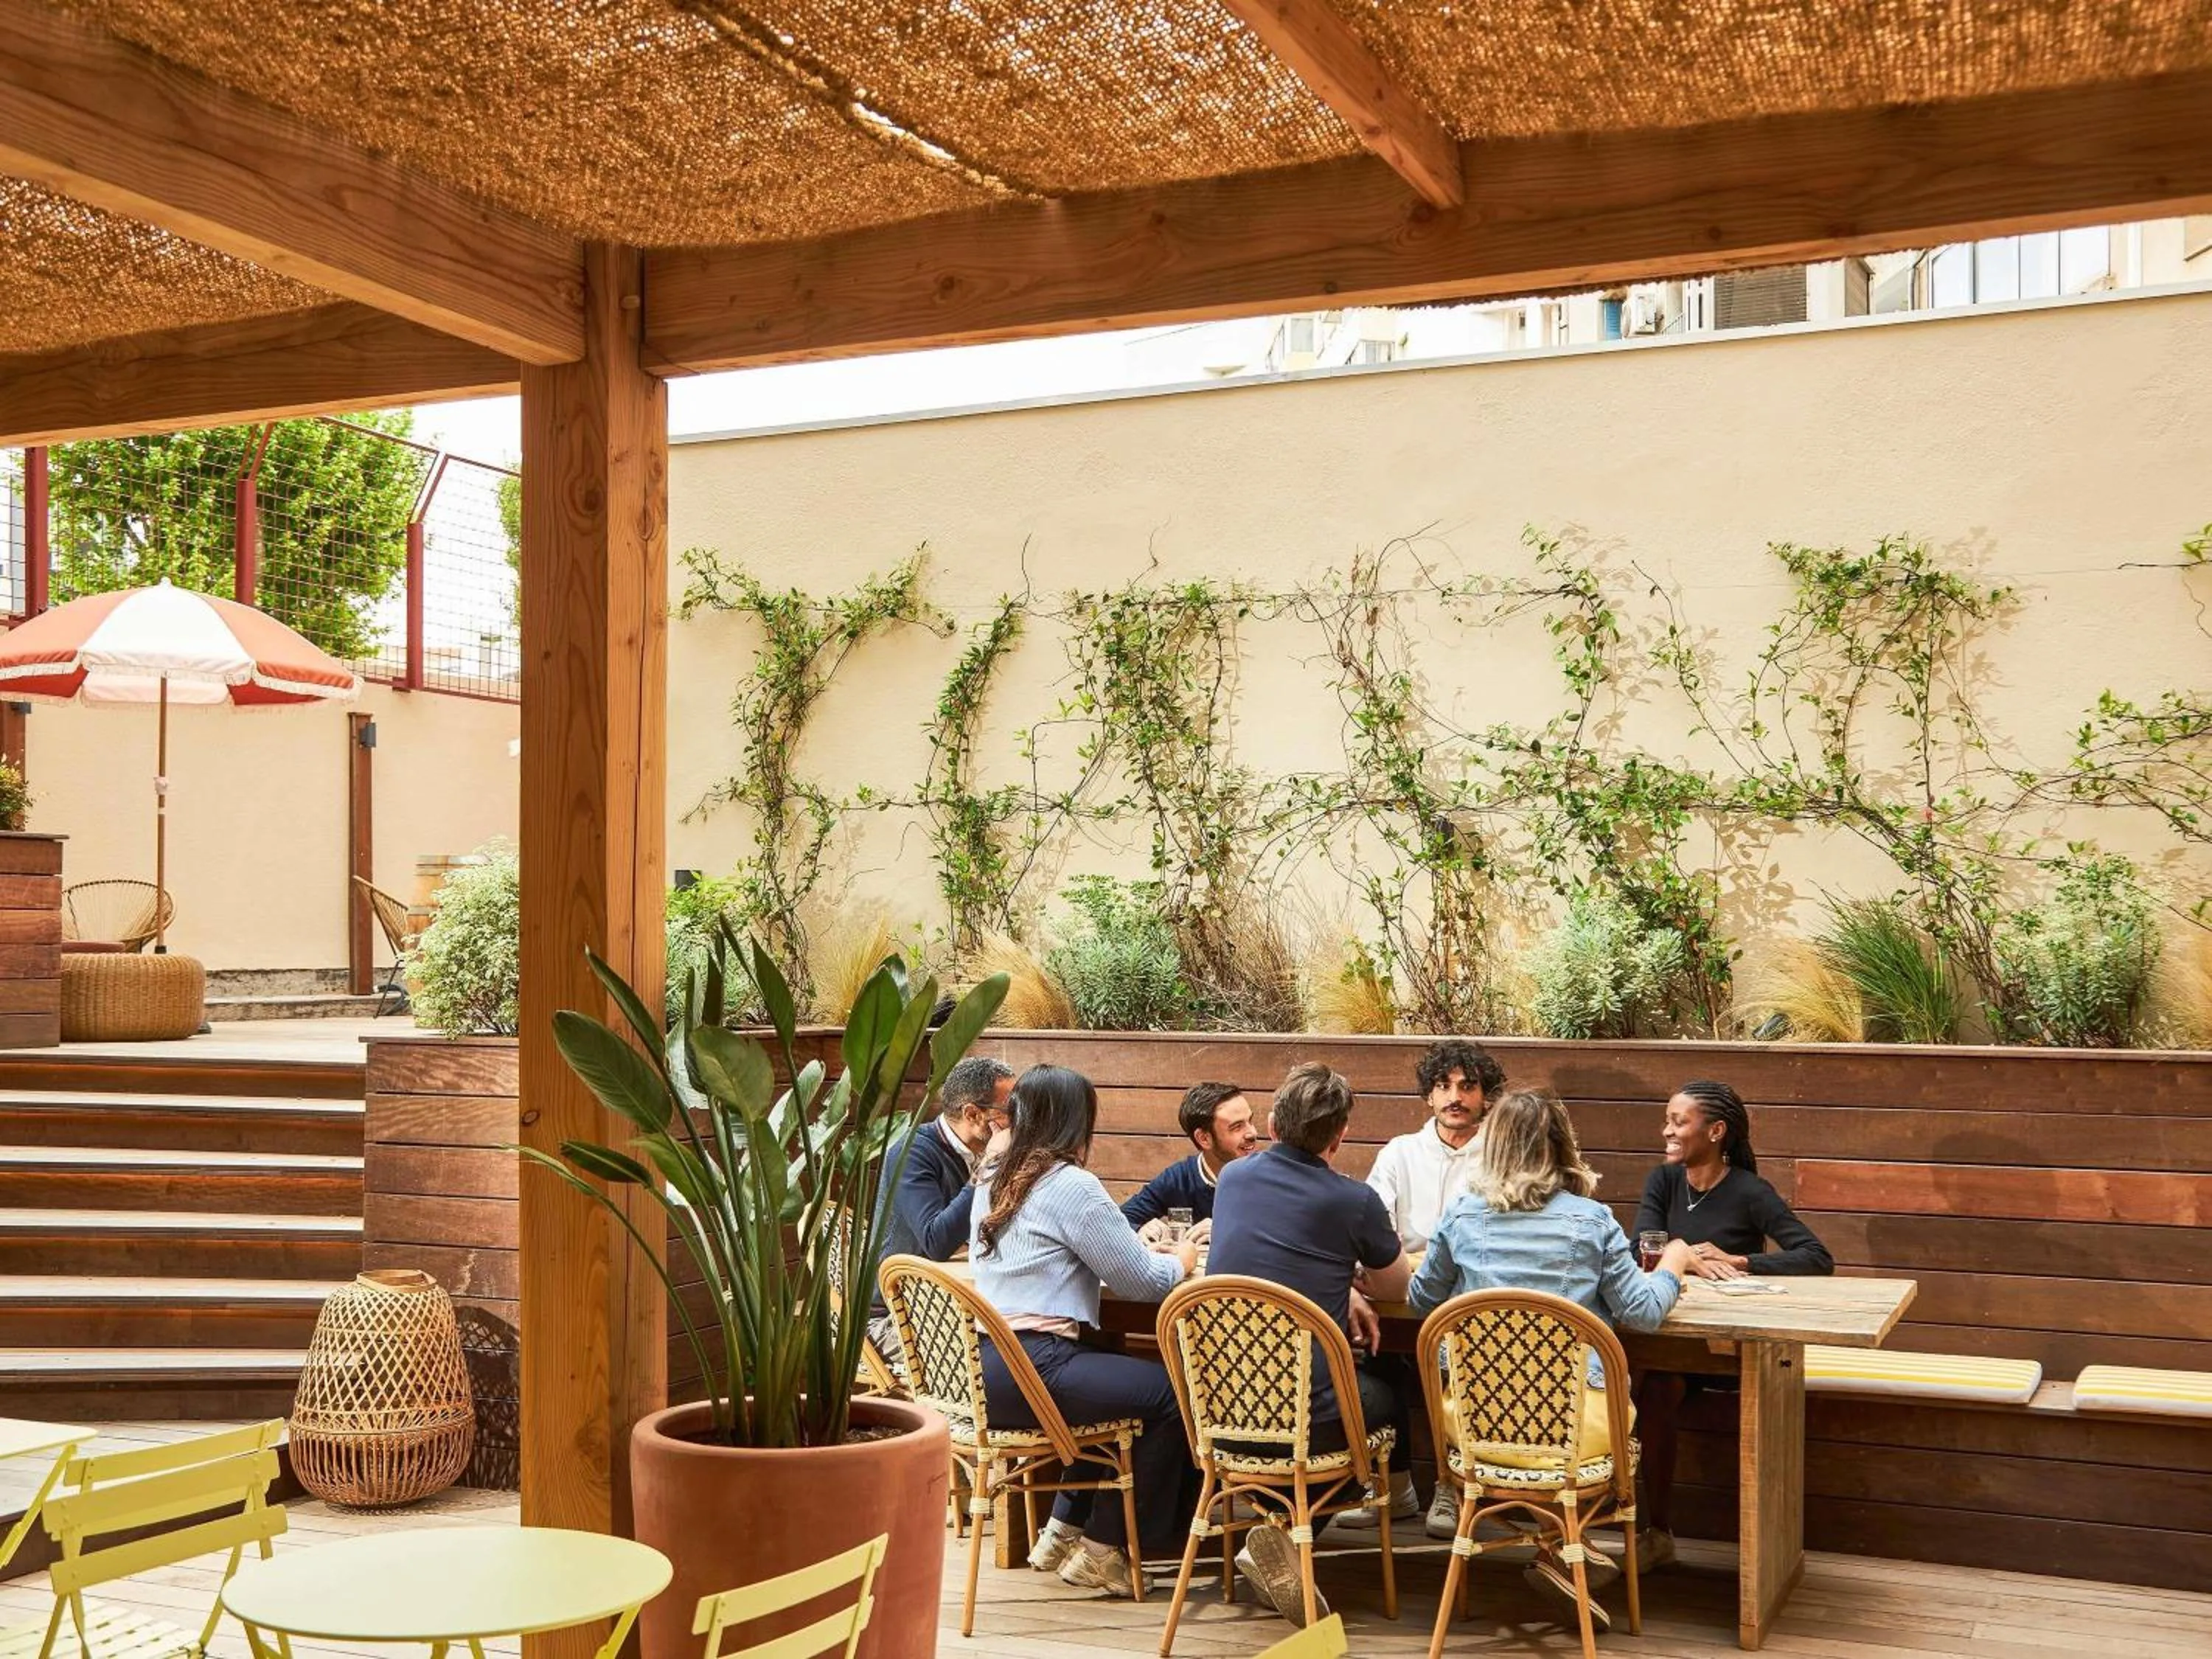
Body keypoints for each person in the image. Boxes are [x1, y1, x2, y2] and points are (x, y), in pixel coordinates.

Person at [1410, 1088, 1698, 1638]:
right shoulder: (1591, 1222)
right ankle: (1563, 1549)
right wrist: (1676, 1263)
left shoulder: (1462, 1215)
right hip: (1575, 1431)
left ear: (1492, 1148)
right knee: (1575, 1448)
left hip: (1474, 1427)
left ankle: (1559, 1549)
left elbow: (1424, 1300)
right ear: (1562, 1148)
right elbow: (1641, 1312)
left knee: (1515, 1447)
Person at [970, 1064, 1200, 1599]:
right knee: (1174, 1394)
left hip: (986, 1374)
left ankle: (1062, 1531)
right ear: (1079, 1121)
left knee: (1113, 1381)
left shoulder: (992, 1174)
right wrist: (1183, 1258)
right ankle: (1103, 1549)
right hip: (1039, 1371)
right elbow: (1143, 1283)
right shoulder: (1071, 1185)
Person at [1207, 1062, 1413, 1628]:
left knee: (1356, 1388)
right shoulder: (1353, 1201)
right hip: (1304, 1422)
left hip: (1218, 1416)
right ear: (1340, 1135)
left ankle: (1273, 1533)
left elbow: (1272, 1256)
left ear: (1273, 1123)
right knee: (1383, 1402)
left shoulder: (1234, 1179)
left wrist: (1336, 1283)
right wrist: (1350, 1280)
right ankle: (1280, 1537)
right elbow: (1397, 1287)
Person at [1630, 1079, 1833, 1570]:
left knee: (1651, 1388)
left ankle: (1759, 1550)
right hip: (1669, 1342)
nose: (1668, 1131)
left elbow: (1816, 1258)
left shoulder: (1749, 1190)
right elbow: (1643, 1248)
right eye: (1668, 1120)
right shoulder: (1664, 1181)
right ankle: (1651, 1532)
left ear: (1716, 1131)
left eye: (1679, 1122)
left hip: (1727, 1350)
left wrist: (1741, 1261)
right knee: (1644, 1385)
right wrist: (1684, 1259)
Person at [863, 1055, 1014, 1363]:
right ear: (973, 1114)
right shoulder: (912, 1152)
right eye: (1010, 1111)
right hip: (894, 1322)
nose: (1017, 1120)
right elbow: (936, 1242)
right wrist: (987, 1169)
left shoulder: (983, 1151)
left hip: (952, 1306)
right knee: (1014, 1353)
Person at [1367, 1038, 1507, 1254]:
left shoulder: (1502, 1157)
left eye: (1467, 1087)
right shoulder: (1399, 1153)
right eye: (1443, 1086)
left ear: (1486, 1097)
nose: (1455, 1098)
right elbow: (1376, 1230)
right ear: (1430, 1096)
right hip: (1406, 1276)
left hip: (1476, 1281)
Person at [1120, 1080, 1262, 1237]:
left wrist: (1223, 1231)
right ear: (1204, 1139)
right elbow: (1120, 1221)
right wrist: (1141, 1229)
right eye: (1237, 1127)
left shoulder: (1269, 1176)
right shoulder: (1179, 1179)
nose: (1252, 1133)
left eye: (1250, 1121)